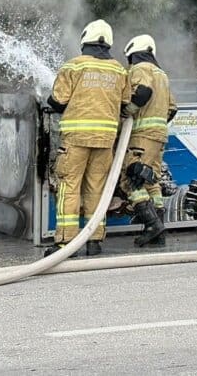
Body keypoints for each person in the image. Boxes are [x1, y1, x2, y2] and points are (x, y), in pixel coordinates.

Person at [45, 19, 133, 256]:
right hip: (105, 140)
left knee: (69, 186)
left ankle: (65, 243)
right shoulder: (119, 70)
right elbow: (126, 104)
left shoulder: (74, 66)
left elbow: (57, 101)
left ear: (85, 39)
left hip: (76, 139)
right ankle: (94, 241)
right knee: (97, 189)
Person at [119, 34, 177, 247]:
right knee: (151, 181)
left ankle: (152, 224)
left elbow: (143, 92)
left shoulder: (140, 69)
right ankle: (158, 233)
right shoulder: (162, 74)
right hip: (159, 136)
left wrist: (128, 111)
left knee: (130, 178)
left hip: (142, 135)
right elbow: (172, 108)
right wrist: (158, 126)